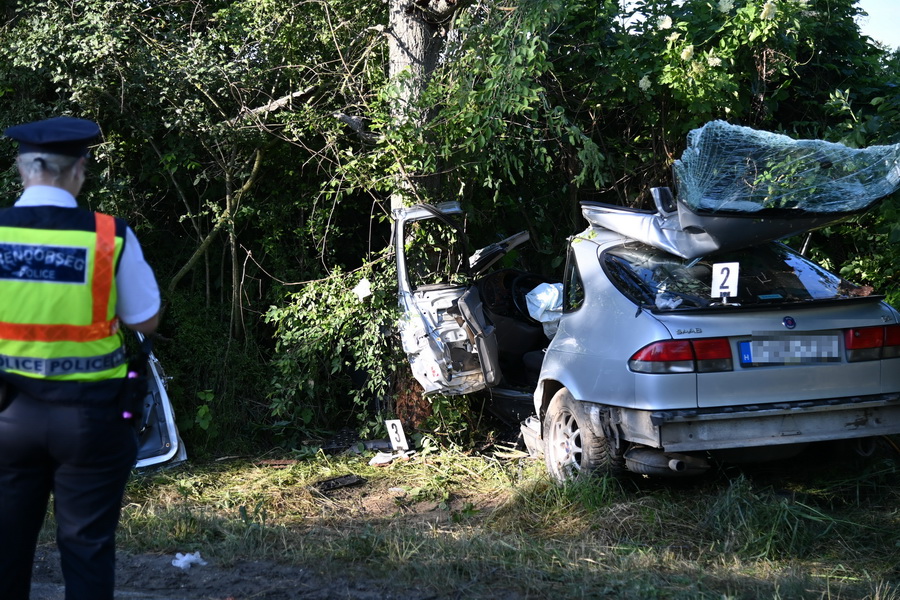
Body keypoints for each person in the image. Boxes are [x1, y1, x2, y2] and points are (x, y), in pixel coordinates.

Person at [0, 116, 161, 600]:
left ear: (22, 169)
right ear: (79, 171)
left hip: (7, 417)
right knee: (87, 548)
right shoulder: (109, 236)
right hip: (91, 420)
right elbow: (146, 319)